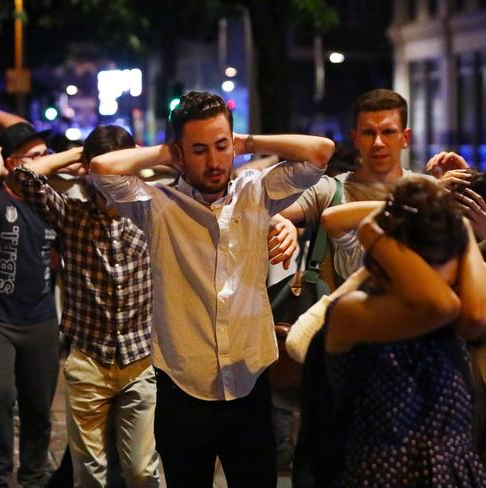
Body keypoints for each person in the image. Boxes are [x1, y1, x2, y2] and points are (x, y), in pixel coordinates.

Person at [89, 91, 334, 487]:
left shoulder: (257, 191)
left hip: (250, 380)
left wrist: (248, 143)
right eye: (199, 150)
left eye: (222, 146)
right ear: (180, 154)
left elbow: (320, 153)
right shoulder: (156, 203)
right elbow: (101, 168)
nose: (215, 160)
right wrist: (163, 154)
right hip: (182, 384)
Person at [301, 176, 486, 486]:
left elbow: (476, 317)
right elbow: (441, 307)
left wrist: (459, 224)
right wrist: (373, 232)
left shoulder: (457, 309)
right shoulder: (353, 310)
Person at [14, 125, 160, 488]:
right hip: (89, 360)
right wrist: (81, 156)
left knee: (142, 471)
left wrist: (139, 158)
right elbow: (22, 175)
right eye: (103, 172)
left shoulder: (154, 211)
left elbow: (191, 173)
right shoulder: (72, 213)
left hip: (141, 359)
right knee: (89, 476)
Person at [0, 121, 60, 488]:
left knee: (39, 407)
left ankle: (34, 476)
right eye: (33, 157)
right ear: (12, 163)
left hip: (39, 318)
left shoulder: (51, 200)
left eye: (45, 155)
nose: (44, 163)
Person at [280, 88, 421, 281]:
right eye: (369, 133)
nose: (378, 142)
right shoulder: (330, 190)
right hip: (338, 308)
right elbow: (267, 211)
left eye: (388, 132)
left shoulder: (425, 191)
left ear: (405, 138)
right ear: (355, 138)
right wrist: (247, 144)